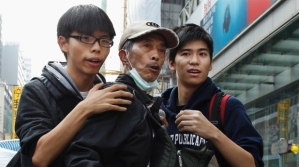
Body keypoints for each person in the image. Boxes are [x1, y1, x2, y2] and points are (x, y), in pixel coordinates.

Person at [14, 4, 134, 167]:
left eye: (104, 41)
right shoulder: (37, 91)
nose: (97, 48)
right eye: (86, 38)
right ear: (63, 43)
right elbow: (39, 156)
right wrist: (86, 108)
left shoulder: (110, 95)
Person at [64, 21, 179, 167]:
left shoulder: (144, 103)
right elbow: (81, 155)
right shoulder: (118, 97)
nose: (156, 55)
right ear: (124, 56)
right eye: (146, 46)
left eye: (162, 50)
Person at [160, 24, 264, 166]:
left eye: (202, 54)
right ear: (171, 63)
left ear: (210, 64)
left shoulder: (227, 106)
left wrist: (213, 133)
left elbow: (253, 164)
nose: (195, 61)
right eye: (186, 53)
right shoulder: (159, 110)